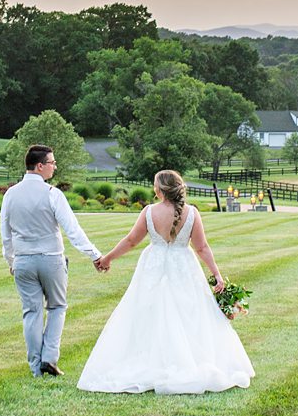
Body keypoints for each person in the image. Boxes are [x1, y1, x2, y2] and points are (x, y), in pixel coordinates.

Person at [78, 169, 254, 395]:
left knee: (148, 311)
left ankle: (153, 361)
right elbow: (202, 247)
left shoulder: (149, 212)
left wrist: (107, 259)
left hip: (154, 266)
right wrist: (216, 274)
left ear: (159, 190)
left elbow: (131, 241)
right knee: (190, 312)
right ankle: (189, 361)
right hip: (184, 266)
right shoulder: (191, 213)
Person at [0, 144, 106, 378]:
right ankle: (49, 358)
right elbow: (73, 230)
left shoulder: (11, 194)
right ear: (40, 166)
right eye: (52, 163)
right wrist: (95, 254)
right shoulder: (52, 194)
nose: (55, 167)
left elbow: (5, 234)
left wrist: (11, 260)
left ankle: (35, 367)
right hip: (51, 259)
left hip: (23, 260)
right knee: (57, 307)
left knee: (32, 312)